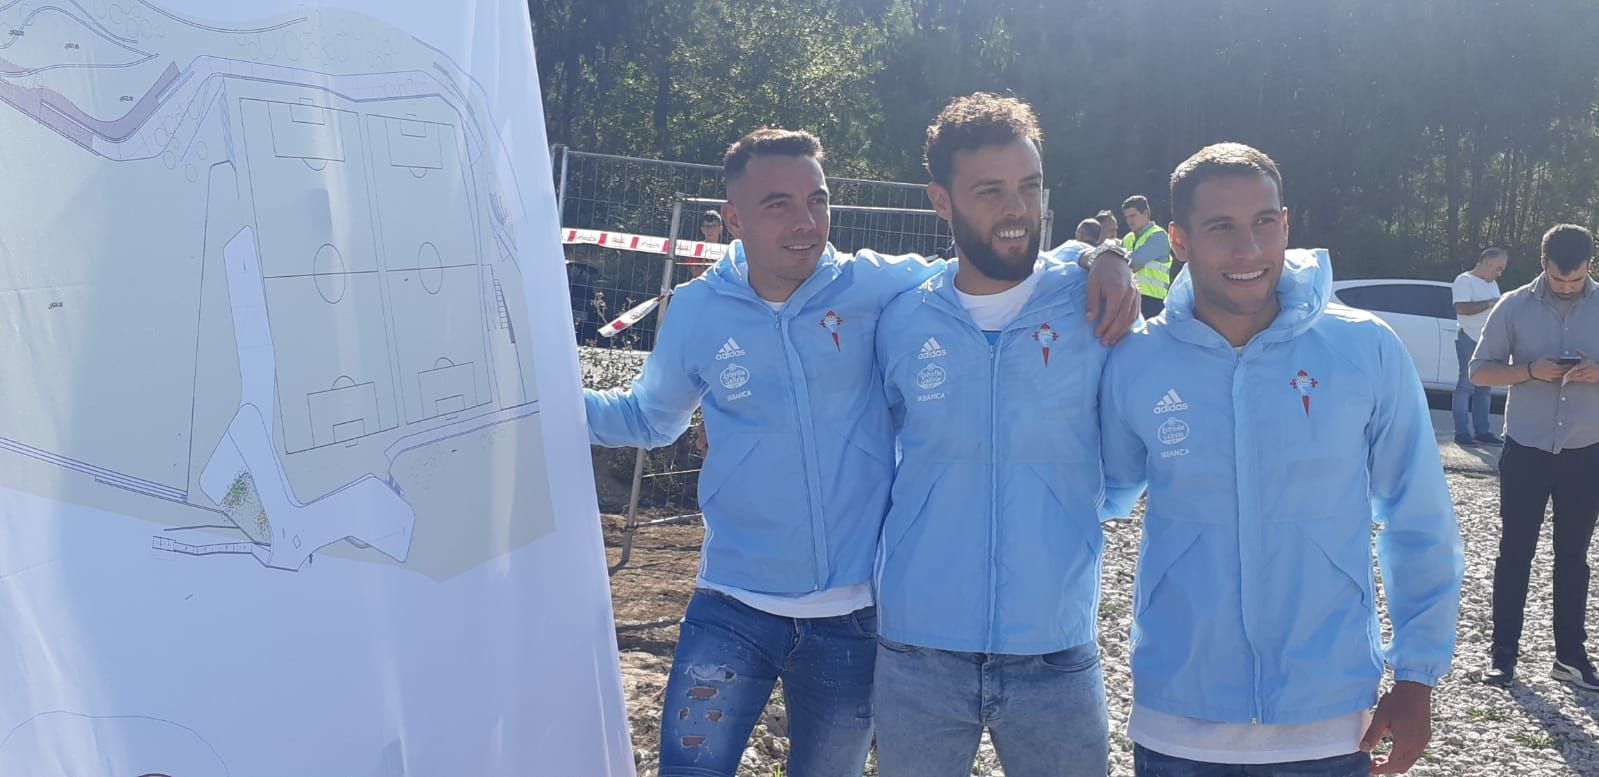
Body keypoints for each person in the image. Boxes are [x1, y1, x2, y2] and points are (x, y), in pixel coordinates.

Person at [584, 128, 1139, 777]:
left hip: (847, 623)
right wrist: (539, 407)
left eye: (816, 200)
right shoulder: (700, 309)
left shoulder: (874, 287)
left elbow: (989, 259)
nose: (805, 222)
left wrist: (1099, 252)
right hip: (730, 604)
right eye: (778, 205)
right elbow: (648, 418)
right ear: (732, 219)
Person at [1099, 142, 1464, 777]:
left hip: (1329, 722)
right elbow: (1092, 495)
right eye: (1221, 228)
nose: (1249, 251)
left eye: (1264, 223)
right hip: (1179, 721)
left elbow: (1418, 518)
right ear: (1179, 240)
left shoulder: (1364, 349)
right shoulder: (1135, 361)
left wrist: (1417, 674)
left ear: (1287, 225)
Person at [871, 92, 1121, 777]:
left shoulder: (1089, 306)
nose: (1017, 209)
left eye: (1030, 187)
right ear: (940, 200)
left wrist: (1105, 252)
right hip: (916, 652)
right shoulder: (898, 320)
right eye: (990, 191)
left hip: (1055, 649)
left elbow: (1125, 469)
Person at [1470, 223, 1599, 692]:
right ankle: (1503, 655)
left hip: (1587, 451)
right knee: (1515, 552)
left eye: (1577, 280)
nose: (1567, 288)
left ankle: (1570, 656)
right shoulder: (1513, 306)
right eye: (1559, 279)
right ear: (1543, 264)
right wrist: (1528, 371)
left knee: (1574, 556)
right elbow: (1480, 373)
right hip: (1525, 449)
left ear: (1590, 265)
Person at [1451, 247, 1508, 446]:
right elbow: (1461, 308)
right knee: (1465, 386)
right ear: (1487, 263)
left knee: (1484, 387)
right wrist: (1491, 303)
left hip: (1487, 340)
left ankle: (1482, 431)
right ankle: (1461, 433)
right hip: (1468, 338)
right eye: (1498, 268)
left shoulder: (1492, 284)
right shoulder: (1464, 280)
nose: (1499, 273)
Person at [1121, 194, 1173, 318]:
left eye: (1133, 216)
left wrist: (1123, 260)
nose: (1129, 221)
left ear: (1145, 213)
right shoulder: (1128, 238)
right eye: (1127, 217)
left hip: (1153, 301)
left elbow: (1134, 264)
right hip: (1129, 298)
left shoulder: (1158, 236)